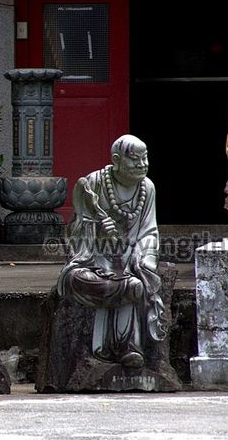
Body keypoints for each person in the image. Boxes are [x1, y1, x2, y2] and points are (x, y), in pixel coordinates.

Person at [58, 134, 166, 369]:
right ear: (116, 160)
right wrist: (97, 230)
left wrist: (145, 259)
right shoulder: (93, 184)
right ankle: (118, 346)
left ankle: (128, 347)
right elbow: (75, 231)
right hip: (95, 259)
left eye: (145, 158)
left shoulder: (147, 188)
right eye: (134, 160)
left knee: (135, 283)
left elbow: (149, 231)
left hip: (129, 259)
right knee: (74, 278)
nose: (141, 165)